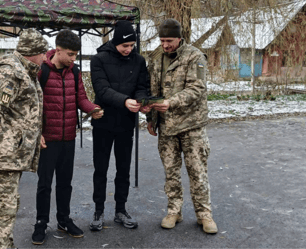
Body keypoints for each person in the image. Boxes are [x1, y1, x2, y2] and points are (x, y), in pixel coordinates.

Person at [0, 28, 49, 249]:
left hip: (10, 155)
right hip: (3, 155)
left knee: (9, 207)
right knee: (3, 212)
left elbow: (20, 113)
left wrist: (35, 134)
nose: (45, 57)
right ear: (33, 52)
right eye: (43, 53)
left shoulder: (25, 71)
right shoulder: (12, 74)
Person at [31, 29, 104, 245]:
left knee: (65, 183)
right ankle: (41, 223)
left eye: (75, 55)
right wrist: (37, 133)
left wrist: (92, 109)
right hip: (47, 139)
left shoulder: (75, 71)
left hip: (68, 137)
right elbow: (32, 104)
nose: (73, 59)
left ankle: (63, 219)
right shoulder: (41, 70)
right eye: (70, 54)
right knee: (44, 184)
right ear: (59, 50)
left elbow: (81, 97)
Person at [145, 18, 218, 234]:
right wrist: (150, 119)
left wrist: (171, 102)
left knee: (198, 172)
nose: (165, 45)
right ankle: (173, 211)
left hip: (191, 126)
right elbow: (152, 89)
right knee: (171, 172)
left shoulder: (195, 56)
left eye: (169, 40)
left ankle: (204, 215)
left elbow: (197, 88)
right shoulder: (156, 57)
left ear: (179, 38)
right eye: (162, 40)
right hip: (166, 128)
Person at [89, 20, 148, 231]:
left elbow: (143, 86)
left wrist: (141, 101)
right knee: (101, 169)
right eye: (125, 46)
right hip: (103, 123)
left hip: (126, 124)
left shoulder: (139, 61)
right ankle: (98, 210)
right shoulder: (98, 59)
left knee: (123, 170)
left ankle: (121, 210)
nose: (129, 49)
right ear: (116, 42)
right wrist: (124, 100)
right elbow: (101, 89)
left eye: (132, 46)